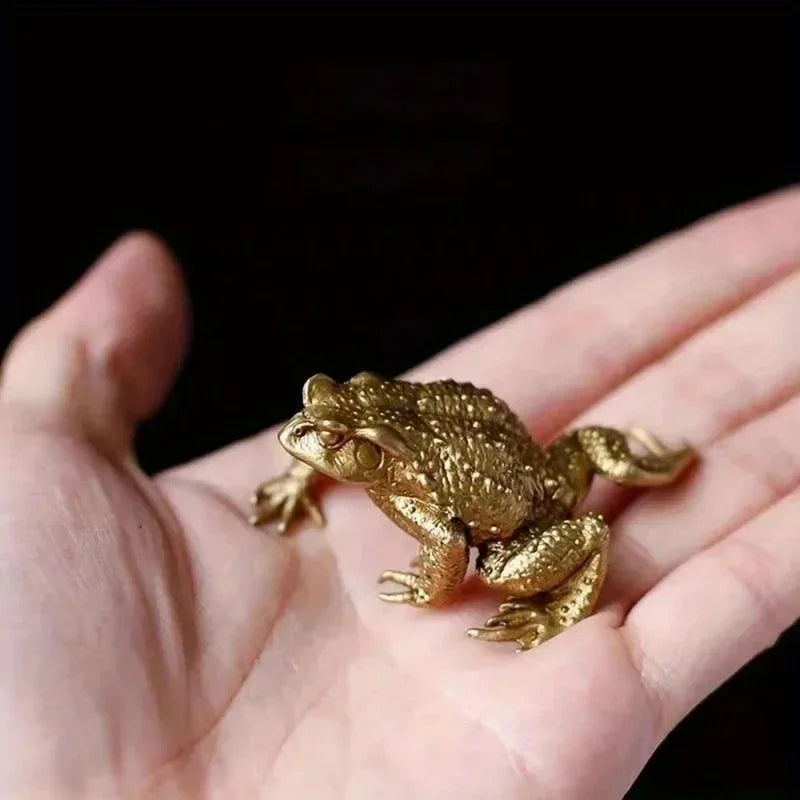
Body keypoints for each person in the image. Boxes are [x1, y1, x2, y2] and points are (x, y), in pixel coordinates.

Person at [1, 188, 798, 798]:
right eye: (315, 416)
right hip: (508, 454)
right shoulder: (362, 438)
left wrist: (435, 587)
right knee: (562, 451)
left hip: (519, 517)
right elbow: (327, 437)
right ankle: (616, 461)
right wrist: (295, 475)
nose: (309, 438)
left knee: (541, 555)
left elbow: (450, 548)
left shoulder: (410, 486)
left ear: (367, 451)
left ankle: (569, 581)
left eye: (329, 442)